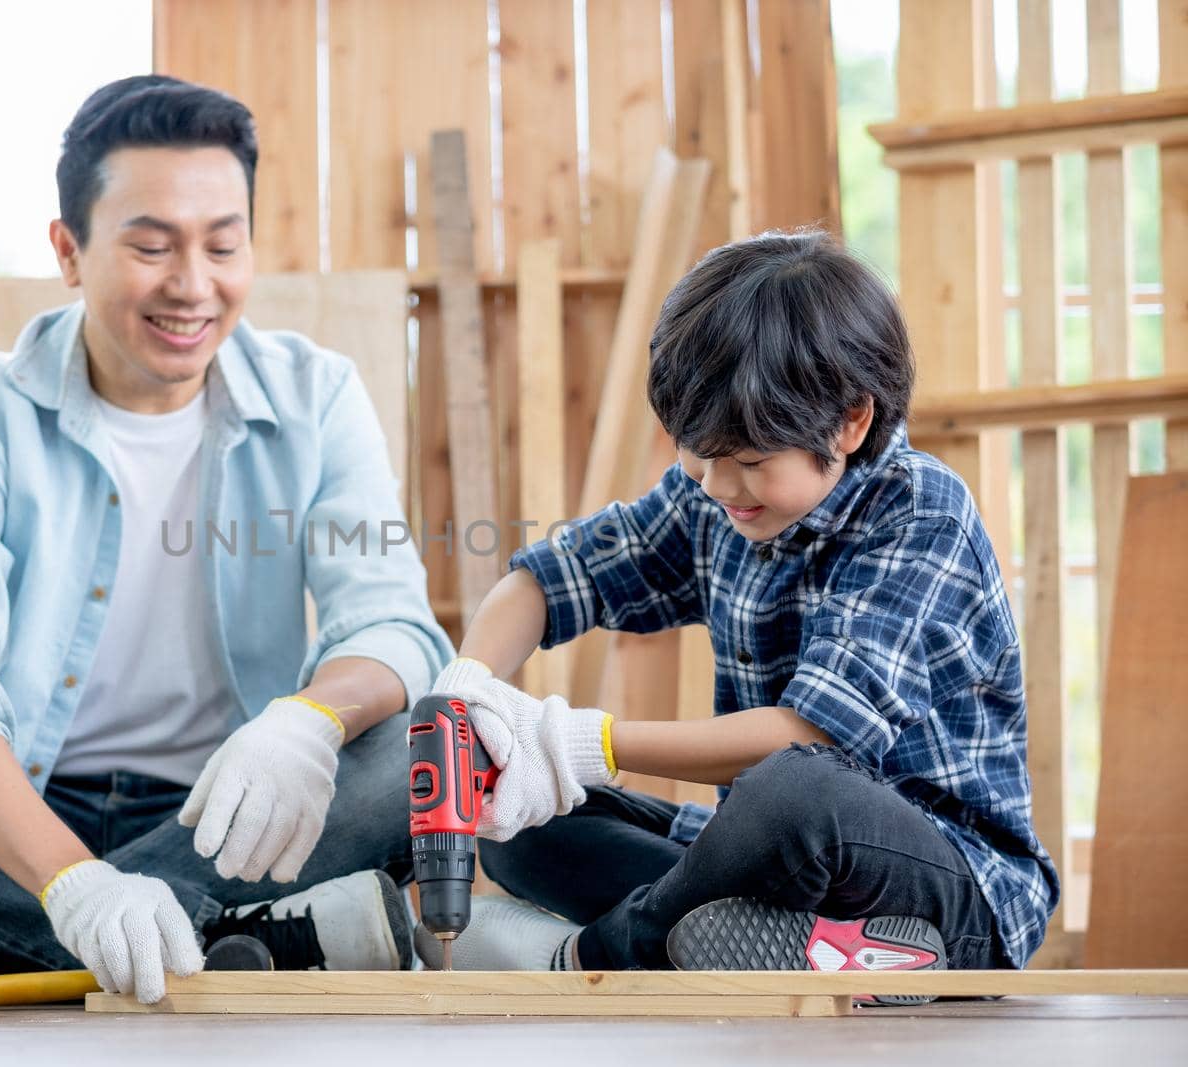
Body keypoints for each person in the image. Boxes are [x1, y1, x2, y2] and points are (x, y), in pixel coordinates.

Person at [0, 75, 451, 1004]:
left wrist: (305, 721)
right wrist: (73, 881)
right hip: (15, 807)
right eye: (151, 247)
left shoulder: (319, 393)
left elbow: (393, 624)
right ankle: (222, 937)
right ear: (69, 252)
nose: (193, 285)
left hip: (230, 807)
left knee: (421, 744)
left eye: (223, 246)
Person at [423, 231, 1057, 992]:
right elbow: (548, 582)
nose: (721, 485)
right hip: (772, 861)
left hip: (950, 887)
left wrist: (579, 740)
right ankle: (804, 947)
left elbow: (805, 739)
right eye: (698, 452)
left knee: (794, 788)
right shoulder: (717, 495)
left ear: (851, 422)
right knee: (517, 823)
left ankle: (593, 957)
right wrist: (467, 688)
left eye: (752, 461)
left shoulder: (923, 514)